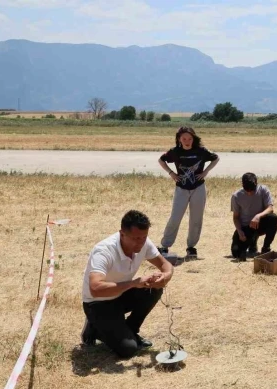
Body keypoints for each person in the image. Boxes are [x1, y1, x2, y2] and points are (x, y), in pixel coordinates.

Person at [81, 210, 174, 358]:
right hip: (98, 303)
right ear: (122, 234)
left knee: (154, 289)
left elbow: (165, 265)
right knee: (128, 350)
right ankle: (93, 327)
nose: (141, 242)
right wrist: (134, 283)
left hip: (120, 295)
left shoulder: (144, 243)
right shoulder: (104, 251)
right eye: (136, 238)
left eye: (144, 237)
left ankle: (130, 330)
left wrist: (165, 276)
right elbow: (95, 289)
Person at [157, 126, 220, 260]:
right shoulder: (175, 151)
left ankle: (191, 247)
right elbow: (161, 160)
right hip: (181, 188)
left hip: (198, 188)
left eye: (190, 138)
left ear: (193, 138)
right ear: (179, 139)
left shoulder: (201, 151)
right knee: (175, 217)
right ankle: (165, 246)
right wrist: (171, 173)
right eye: (184, 138)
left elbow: (216, 158)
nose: (187, 141)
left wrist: (206, 171)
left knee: (196, 219)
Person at [230, 172, 277, 261]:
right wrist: (239, 231)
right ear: (242, 185)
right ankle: (251, 242)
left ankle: (265, 248)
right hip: (246, 227)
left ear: (256, 183)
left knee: (273, 218)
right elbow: (236, 217)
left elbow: (270, 208)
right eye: (246, 190)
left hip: (260, 223)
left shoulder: (263, 190)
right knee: (236, 253)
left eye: (252, 190)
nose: (249, 193)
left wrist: (258, 216)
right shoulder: (236, 196)